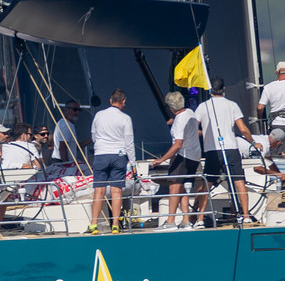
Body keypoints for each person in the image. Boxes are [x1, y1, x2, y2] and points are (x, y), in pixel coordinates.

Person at [192, 80, 256, 225]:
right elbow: (243, 129)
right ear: (224, 89)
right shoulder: (232, 105)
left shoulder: (203, 107)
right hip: (231, 149)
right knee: (239, 182)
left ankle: (200, 218)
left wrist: (206, 133)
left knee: (207, 184)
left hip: (212, 149)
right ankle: (246, 216)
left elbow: (193, 129)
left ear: (210, 91)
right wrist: (253, 143)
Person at [88, 89, 135, 234]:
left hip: (101, 154)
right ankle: (115, 224)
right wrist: (133, 163)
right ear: (124, 102)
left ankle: (94, 224)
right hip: (118, 155)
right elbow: (129, 142)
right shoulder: (125, 118)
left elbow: (93, 135)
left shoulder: (99, 115)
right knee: (116, 192)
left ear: (110, 100)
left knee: (99, 191)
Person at [147, 92, 196, 228]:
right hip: (194, 156)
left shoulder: (179, 120)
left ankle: (170, 221)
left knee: (174, 188)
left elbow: (178, 144)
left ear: (171, 108)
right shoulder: (190, 113)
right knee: (184, 187)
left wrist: (161, 159)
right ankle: (186, 220)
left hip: (182, 156)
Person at [51, 101, 87, 169]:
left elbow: (73, 147)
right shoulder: (65, 125)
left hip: (65, 162)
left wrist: (90, 139)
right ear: (66, 110)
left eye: (79, 110)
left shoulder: (68, 124)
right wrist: (67, 166)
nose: (77, 112)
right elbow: (62, 147)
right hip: (61, 163)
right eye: (75, 110)